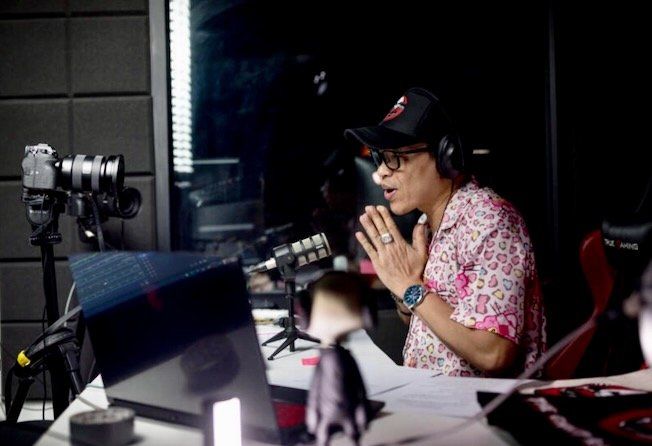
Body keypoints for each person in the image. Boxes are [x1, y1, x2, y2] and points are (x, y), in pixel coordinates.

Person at [344, 87, 546, 376]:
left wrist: (410, 287)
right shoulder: (428, 225)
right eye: (380, 157)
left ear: (445, 156)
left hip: (481, 403)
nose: (382, 172)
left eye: (395, 157)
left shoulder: (488, 220)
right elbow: (430, 323)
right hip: (434, 395)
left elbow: (492, 353)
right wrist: (405, 291)